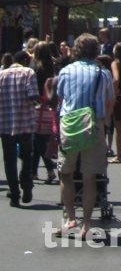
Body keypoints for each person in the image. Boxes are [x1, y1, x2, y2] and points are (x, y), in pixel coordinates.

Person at [56, 33, 115, 236]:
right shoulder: (103, 72)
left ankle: (71, 218)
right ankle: (86, 224)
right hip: (94, 124)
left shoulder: (66, 71)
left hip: (70, 125)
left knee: (66, 173)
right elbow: (109, 102)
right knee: (90, 177)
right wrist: (104, 120)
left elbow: (61, 100)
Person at [0, 50, 40, 206]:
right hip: (24, 123)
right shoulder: (28, 73)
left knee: (9, 160)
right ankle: (26, 184)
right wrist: (38, 100)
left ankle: (14, 193)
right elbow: (32, 96)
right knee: (27, 156)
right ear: (24, 60)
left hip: (6, 124)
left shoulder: (2, 75)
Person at [32, 41, 57, 183]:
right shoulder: (51, 67)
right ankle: (33, 172)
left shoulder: (37, 68)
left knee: (39, 139)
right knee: (37, 140)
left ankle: (49, 169)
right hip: (49, 105)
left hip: (38, 105)